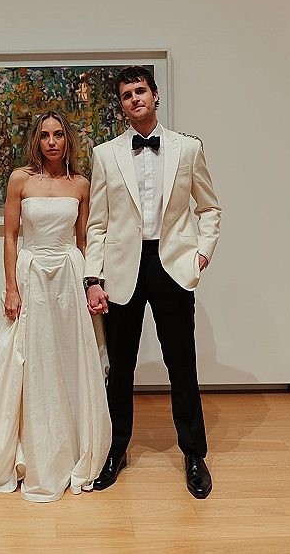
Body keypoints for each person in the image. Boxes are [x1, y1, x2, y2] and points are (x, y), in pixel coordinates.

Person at [0, 110, 111, 502]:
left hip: (69, 278)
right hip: (31, 276)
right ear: (37, 140)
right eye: (45, 136)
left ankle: (71, 446)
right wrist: (10, 287)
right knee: (29, 360)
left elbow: (85, 241)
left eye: (58, 135)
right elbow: (10, 236)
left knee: (67, 359)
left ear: (68, 140)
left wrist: (93, 284)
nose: (52, 142)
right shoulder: (20, 180)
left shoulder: (81, 184)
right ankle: (31, 448)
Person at [84, 66, 221, 499]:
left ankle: (194, 454)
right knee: (119, 368)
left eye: (140, 91)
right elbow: (97, 223)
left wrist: (200, 254)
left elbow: (210, 208)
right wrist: (93, 276)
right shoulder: (105, 154)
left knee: (182, 365)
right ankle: (115, 450)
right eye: (126, 95)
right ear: (121, 104)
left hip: (172, 265)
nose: (134, 99)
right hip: (124, 268)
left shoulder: (188, 148)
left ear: (156, 95)